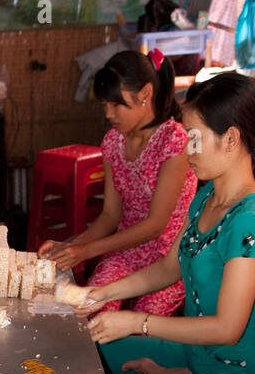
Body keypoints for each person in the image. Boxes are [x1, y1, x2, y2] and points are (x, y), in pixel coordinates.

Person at [80, 72, 255, 374]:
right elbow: (167, 268)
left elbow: (227, 327)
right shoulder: (207, 197)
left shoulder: (251, 219)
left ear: (232, 139)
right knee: (98, 348)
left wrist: (137, 322)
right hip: (200, 361)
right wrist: (102, 295)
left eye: (194, 138)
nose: (185, 149)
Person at [40, 49, 197, 315]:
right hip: (126, 251)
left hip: (170, 259)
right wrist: (69, 246)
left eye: (116, 105)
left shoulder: (174, 141)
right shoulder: (113, 142)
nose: (109, 114)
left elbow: (156, 226)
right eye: (104, 105)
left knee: (141, 329)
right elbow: (110, 215)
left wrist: (85, 250)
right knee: (89, 310)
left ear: (145, 93)